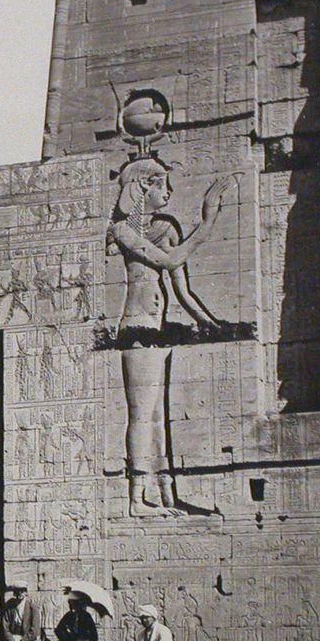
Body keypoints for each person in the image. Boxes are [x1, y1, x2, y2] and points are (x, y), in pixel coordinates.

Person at [106, 157, 235, 516]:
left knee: (159, 417)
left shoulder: (165, 227)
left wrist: (211, 323)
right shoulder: (123, 230)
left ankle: (164, 494)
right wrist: (208, 221)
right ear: (143, 186)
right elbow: (166, 261)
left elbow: (183, 290)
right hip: (137, 327)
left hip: (157, 330)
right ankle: (136, 500)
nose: (170, 192)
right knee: (142, 415)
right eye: (163, 184)